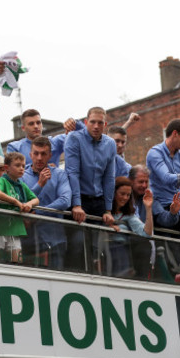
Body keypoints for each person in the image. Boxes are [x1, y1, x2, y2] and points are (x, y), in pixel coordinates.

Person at [64, 107, 117, 270]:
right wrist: (77, 204)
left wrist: (108, 210)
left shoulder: (110, 144)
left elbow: (109, 178)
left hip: (98, 201)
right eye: (92, 122)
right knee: (78, 244)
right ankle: (73, 279)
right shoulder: (74, 138)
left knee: (97, 248)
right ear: (86, 122)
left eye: (100, 123)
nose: (96, 126)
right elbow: (72, 172)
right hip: (78, 199)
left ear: (105, 124)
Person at [21, 136, 71, 269]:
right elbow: (21, 202)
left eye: (43, 154)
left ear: (50, 155)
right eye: (36, 153)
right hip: (29, 243)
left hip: (55, 241)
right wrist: (39, 185)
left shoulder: (59, 174)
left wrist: (37, 212)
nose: (39, 158)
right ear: (30, 154)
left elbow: (65, 201)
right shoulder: (21, 176)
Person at [0, 152, 39, 263]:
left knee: (17, 260)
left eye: (23, 166)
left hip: (15, 226)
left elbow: (36, 199)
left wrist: (29, 204)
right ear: (6, 168)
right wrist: (16, 202)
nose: (21, 168)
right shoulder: (2, 180)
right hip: (1, 225)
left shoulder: (21, 184)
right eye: (17, 165)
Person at [106, 177, 154, 276]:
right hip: (105, 252)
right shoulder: (103, 209)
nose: (125, 198)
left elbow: (147, 233)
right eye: (122, 194)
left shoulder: (128, 215)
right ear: (113, 193)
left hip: (122, 253)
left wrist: (148, 208)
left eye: (128, 195)